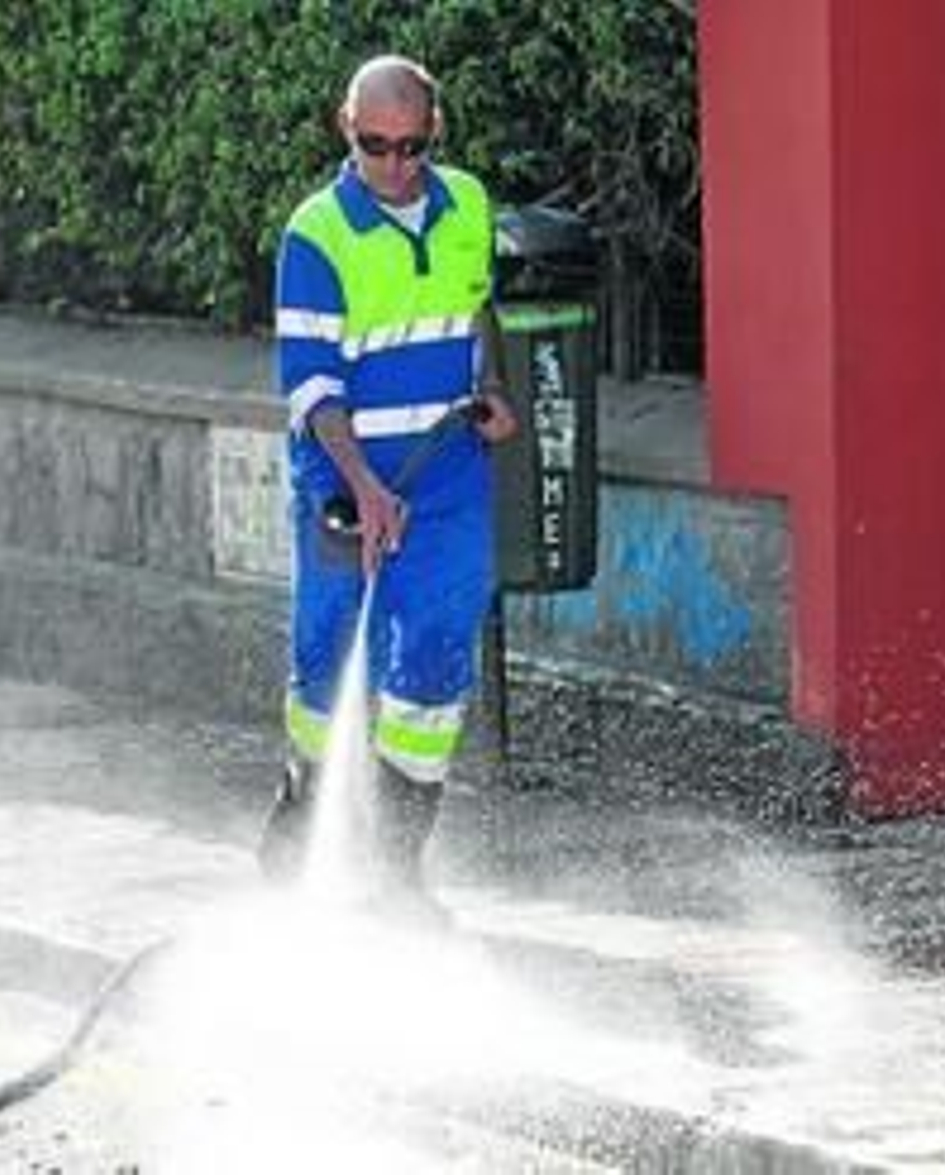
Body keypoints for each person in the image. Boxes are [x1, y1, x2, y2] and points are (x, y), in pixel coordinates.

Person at [257, 55, 517, 924]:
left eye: (412, 147)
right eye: (377, 145)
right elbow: (313, 386)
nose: (396, 165)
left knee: (437, 654)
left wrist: (497, 387)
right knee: (326, 655)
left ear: (433, 134)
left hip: (447, 474)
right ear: (347, 129)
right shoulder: (316, 234)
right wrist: (365, 487)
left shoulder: (469, 205)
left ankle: (398, 864)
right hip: (345, 471)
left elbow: (477, 308)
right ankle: (303, 796)